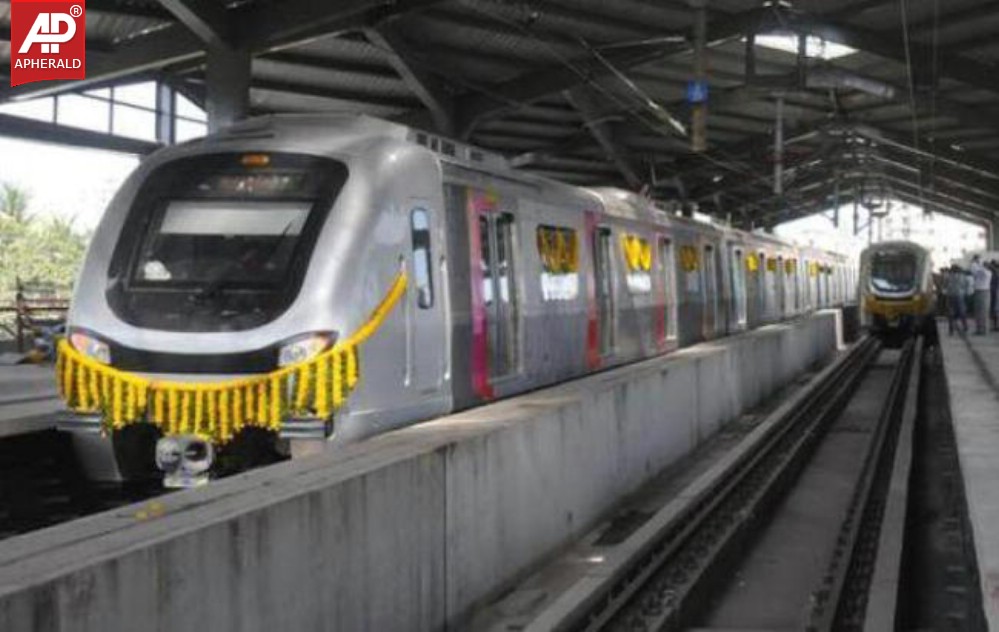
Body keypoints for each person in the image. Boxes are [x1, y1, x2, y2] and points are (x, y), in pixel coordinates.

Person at [970, 255, 992, 335]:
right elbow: (973, 269)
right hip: (978, 291)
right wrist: (977, 262)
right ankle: (979, 329)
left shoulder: (987, 272)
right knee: (978, 312)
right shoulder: (980, 270)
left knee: (983, 312)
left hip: (984, 292)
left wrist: (978, 262)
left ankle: (984, 330)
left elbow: (977, 269)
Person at [946, 265, 968, 336]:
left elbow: (945, 285)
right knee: (962, 311)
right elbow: (964, 285)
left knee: (950, 312)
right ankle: (965, 326)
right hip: (959, 295)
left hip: (950, 295)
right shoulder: (962, 276)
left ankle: (951, 329)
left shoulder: (948, 276)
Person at [990, 260, 999, 331]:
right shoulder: (994, 273)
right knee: (995, 310)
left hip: (996, 293)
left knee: (996, 310)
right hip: (994, 292)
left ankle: (996, 326)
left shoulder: (995, 273)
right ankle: (995, 326)